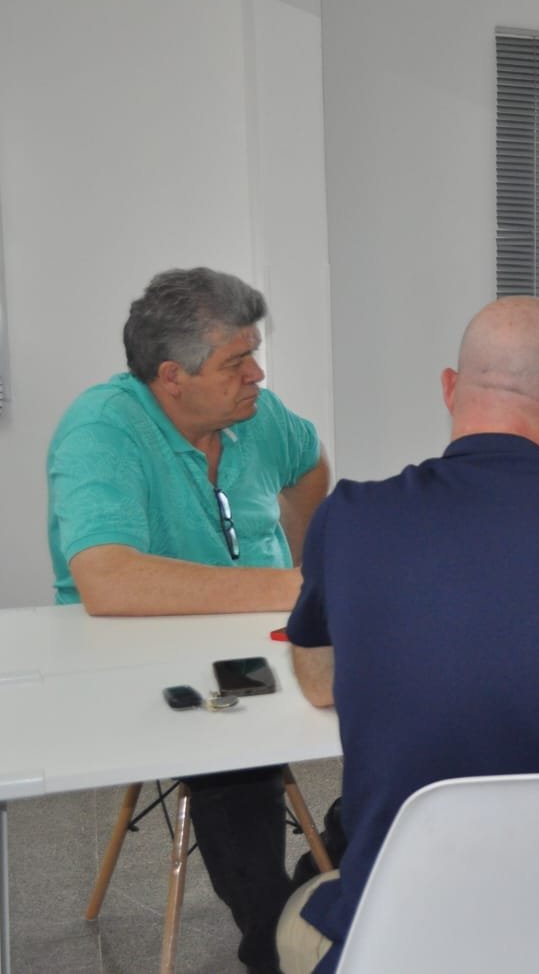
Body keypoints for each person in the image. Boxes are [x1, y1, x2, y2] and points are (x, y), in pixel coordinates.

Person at [277, 297, 539, 974]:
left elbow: (318, 684)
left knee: (294, 918)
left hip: (411, 936)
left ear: (449, 389)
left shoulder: (351, 519)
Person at [46, 267, 330, 974]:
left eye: (254, 353)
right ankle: (275, 942)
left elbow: (310, 464)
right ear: (172, 377)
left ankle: (334, 879)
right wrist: (291, 585)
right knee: (232, 752)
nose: (257, 373)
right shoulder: (100, 429)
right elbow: (106, 579)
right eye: (238, 361)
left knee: (403, 705)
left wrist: (307, 565)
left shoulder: (256, 415)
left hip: (261, 644)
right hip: (145, 664)